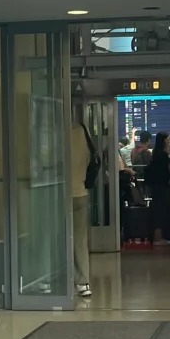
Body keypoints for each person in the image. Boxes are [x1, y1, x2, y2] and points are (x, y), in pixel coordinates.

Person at [70, 112, 99, 297]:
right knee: (80, 240)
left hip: (58, 195)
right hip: (80, 192)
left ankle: (51, 280)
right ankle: (83, 283)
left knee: (54, 238)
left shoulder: (54, 132)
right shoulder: (82, 130)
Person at [145, 131, 170, 246]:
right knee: (161, 212)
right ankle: (159, 237)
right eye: (167, 140)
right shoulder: (163, 156)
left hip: (156, 187)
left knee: (157, 211)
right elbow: (166, 172)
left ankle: (156, 236)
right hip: (162, 187)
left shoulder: (155, 154)